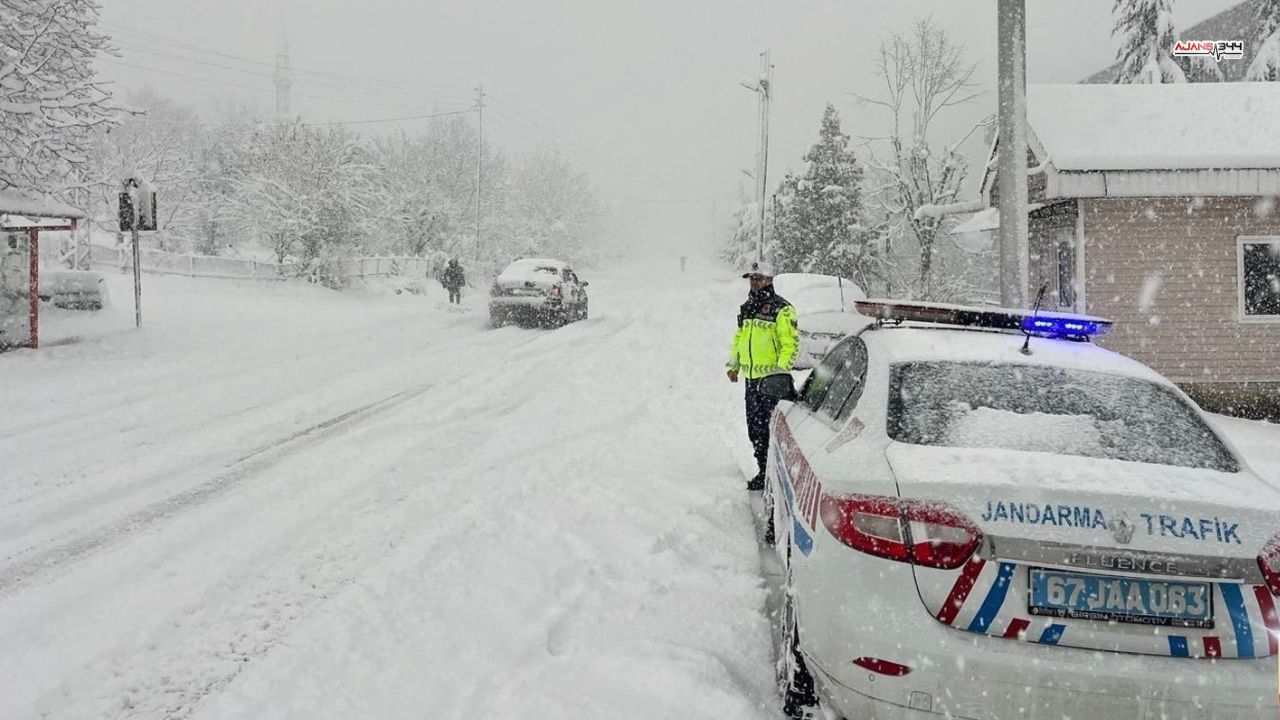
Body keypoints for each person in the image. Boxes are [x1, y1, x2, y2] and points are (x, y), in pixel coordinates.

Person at [726, 261, 799, 491]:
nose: (754, 282)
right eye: (752, 278)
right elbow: (740, 338)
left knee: (772, 431)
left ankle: (777, 477)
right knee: (755, 430)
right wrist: (734, 364)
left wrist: (779, 373)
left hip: (772, 383)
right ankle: (763, 471)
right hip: (751, 380)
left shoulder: (782, 308)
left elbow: (791, 344)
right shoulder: (748, 307)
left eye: (759, 278)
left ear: (769, 280)